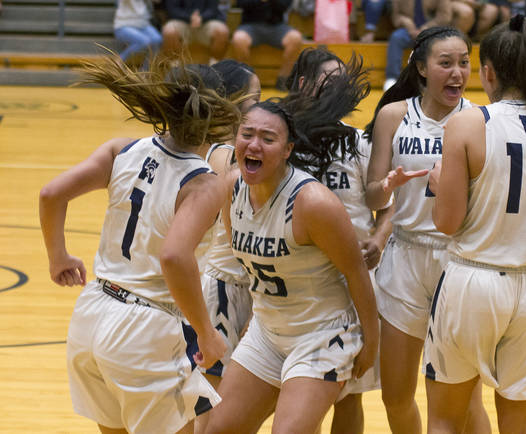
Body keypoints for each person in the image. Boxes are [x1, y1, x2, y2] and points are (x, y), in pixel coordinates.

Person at [39, 55, 242, 433]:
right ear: (217, 116)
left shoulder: (122, 149)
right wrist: (206, 331)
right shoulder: (203, 183)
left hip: (92, 314)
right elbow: (174, 256)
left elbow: (51, 194)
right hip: (144, 328)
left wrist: (58, 257)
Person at [425, 14, 526, 433]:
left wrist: (440, 185)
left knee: (445, 420)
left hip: (476, 281)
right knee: (522, 425)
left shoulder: (469, 122)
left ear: (489, 71)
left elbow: (447, 223)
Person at [206, 77, 379, 433]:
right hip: (267, 332)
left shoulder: (313, 203)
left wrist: (371, 343)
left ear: (287, 150)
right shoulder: (231, 187)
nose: (254, 144)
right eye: (247, 134)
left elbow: (356, 273)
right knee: (215, 430)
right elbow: (250, 268)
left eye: (267, 139)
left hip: (322, 335)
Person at [364, 26, 490, 434]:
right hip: (404, 260)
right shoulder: (393, 115)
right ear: (421, 67)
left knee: (467, 402)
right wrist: (388, 186)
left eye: (464, 63)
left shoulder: (478, 119)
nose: (458, 72)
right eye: (446, 63)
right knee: (396, 395)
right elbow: (371, 195)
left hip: (457, 261)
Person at [285, 46, 393, 434]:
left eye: (343, 81)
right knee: (303, 397)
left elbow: (388, 205)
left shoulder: (359, 142)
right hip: (298, 285)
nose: (340, 88)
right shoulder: (283, 140)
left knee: (350, 394)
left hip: (353, 284)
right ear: (303, 85)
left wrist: (379, 237)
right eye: (329, 80)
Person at [199, 59, 261, 388]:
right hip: (226, 284)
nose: (260, 106)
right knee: (214, 395)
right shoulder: (225, 156)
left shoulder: (218, 149)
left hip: (238, 284)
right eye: (254, 99)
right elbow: (238, 237)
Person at [230, 0, 303, 91]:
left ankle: (284, 78)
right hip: (250, 25)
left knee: (295, 38)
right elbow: (240, 3)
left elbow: (285, 5)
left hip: (277, 26)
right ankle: (248, 79)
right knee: (238, 39)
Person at [383, 0, 453, 91]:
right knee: (396, 37)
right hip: (408, 30)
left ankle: (428, 80)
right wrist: (406, 23)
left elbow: (444, 16)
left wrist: (425, 28)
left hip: (431, 31)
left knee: (434, 43)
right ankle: (392, 78)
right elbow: (396, 16)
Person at [162, 0, 229, 65]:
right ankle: (174, 64)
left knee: (222, 31)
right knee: (169, 31)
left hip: (206, 20)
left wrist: (201, 18)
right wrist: (189, 17)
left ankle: (216, 63)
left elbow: (213, 9)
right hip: (181, 20)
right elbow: (172, 9)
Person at [113, 0, 163, 69]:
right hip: (123, 25)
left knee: (157, 39)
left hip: (143, 24)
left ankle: (145, 71)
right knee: (144, 41)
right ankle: (120, 60)